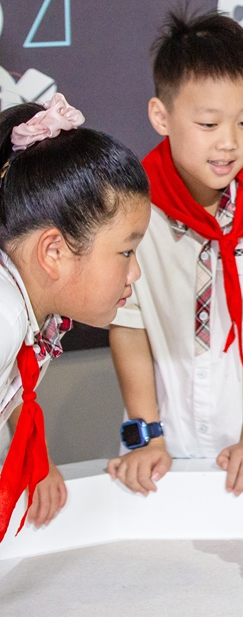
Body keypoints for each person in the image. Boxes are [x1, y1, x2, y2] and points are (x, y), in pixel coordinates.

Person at [106, 9, 243, 498]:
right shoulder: (132, 208)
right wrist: (147, 435)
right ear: (161, 116)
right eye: (209, 123)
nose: (229, 142)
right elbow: (128, 329)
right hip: (163, 431)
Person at [0, 97, 149, 538]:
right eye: (126, 251)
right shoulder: (5, 317)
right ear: (54, 252)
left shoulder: (27, 312)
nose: (135, 272)